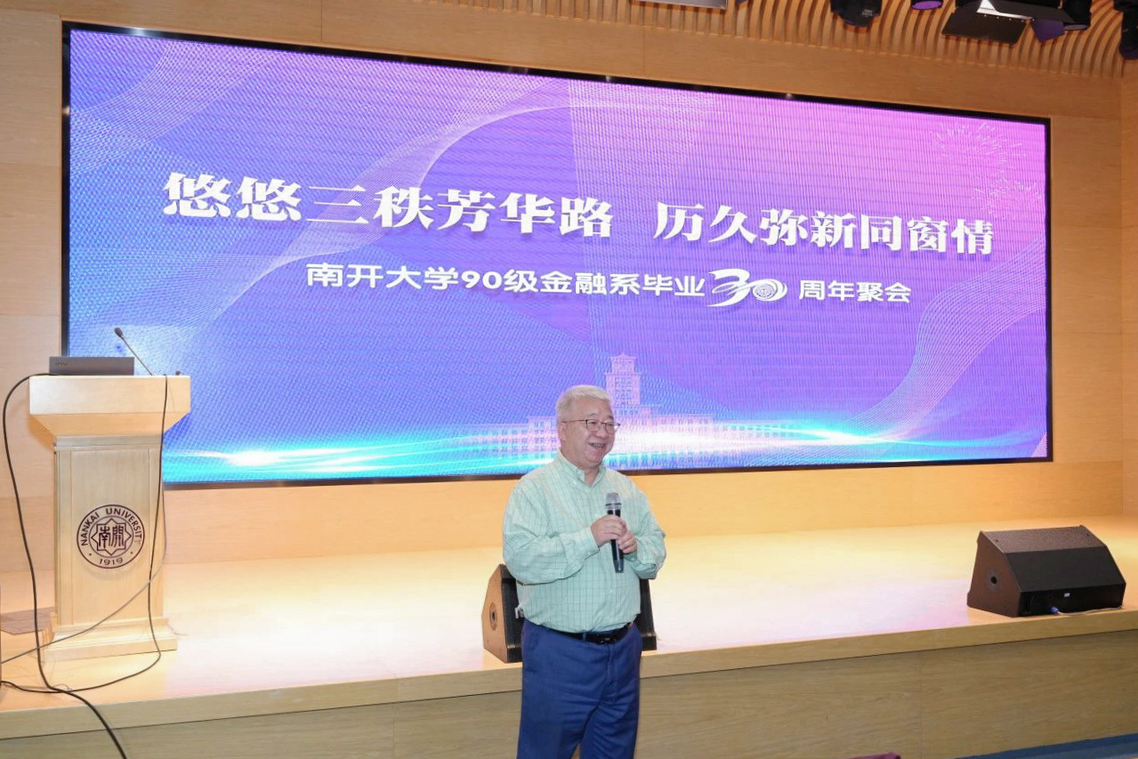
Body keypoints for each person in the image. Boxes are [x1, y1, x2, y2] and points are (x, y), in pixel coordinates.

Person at [503, 384, 667, 759]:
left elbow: (655, 552)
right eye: (591, 422)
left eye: (609, 424)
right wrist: (588, 538)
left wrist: (638, 548)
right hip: (561, 653)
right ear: (562, 429)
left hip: (623, 650)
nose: (602, 432)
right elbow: (522, 560)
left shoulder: (626, 490)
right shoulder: (534, 490)